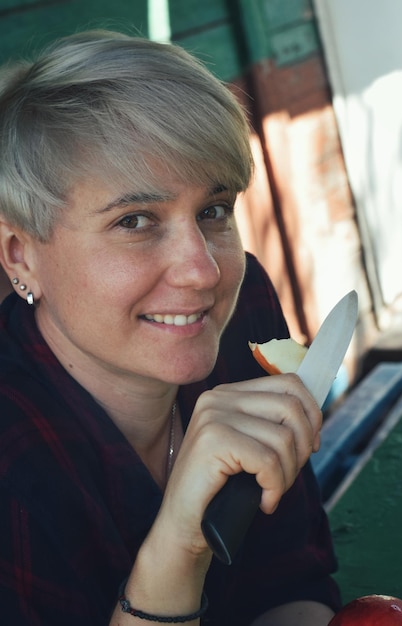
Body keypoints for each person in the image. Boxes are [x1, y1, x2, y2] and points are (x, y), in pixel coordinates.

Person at [0, 30, 341, 625]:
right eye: (135, 220)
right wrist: (178, 549)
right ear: (21, 255)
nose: (202, 272)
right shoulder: (14, 465)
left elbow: (291, 576)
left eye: (213, 211)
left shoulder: (242, 312)